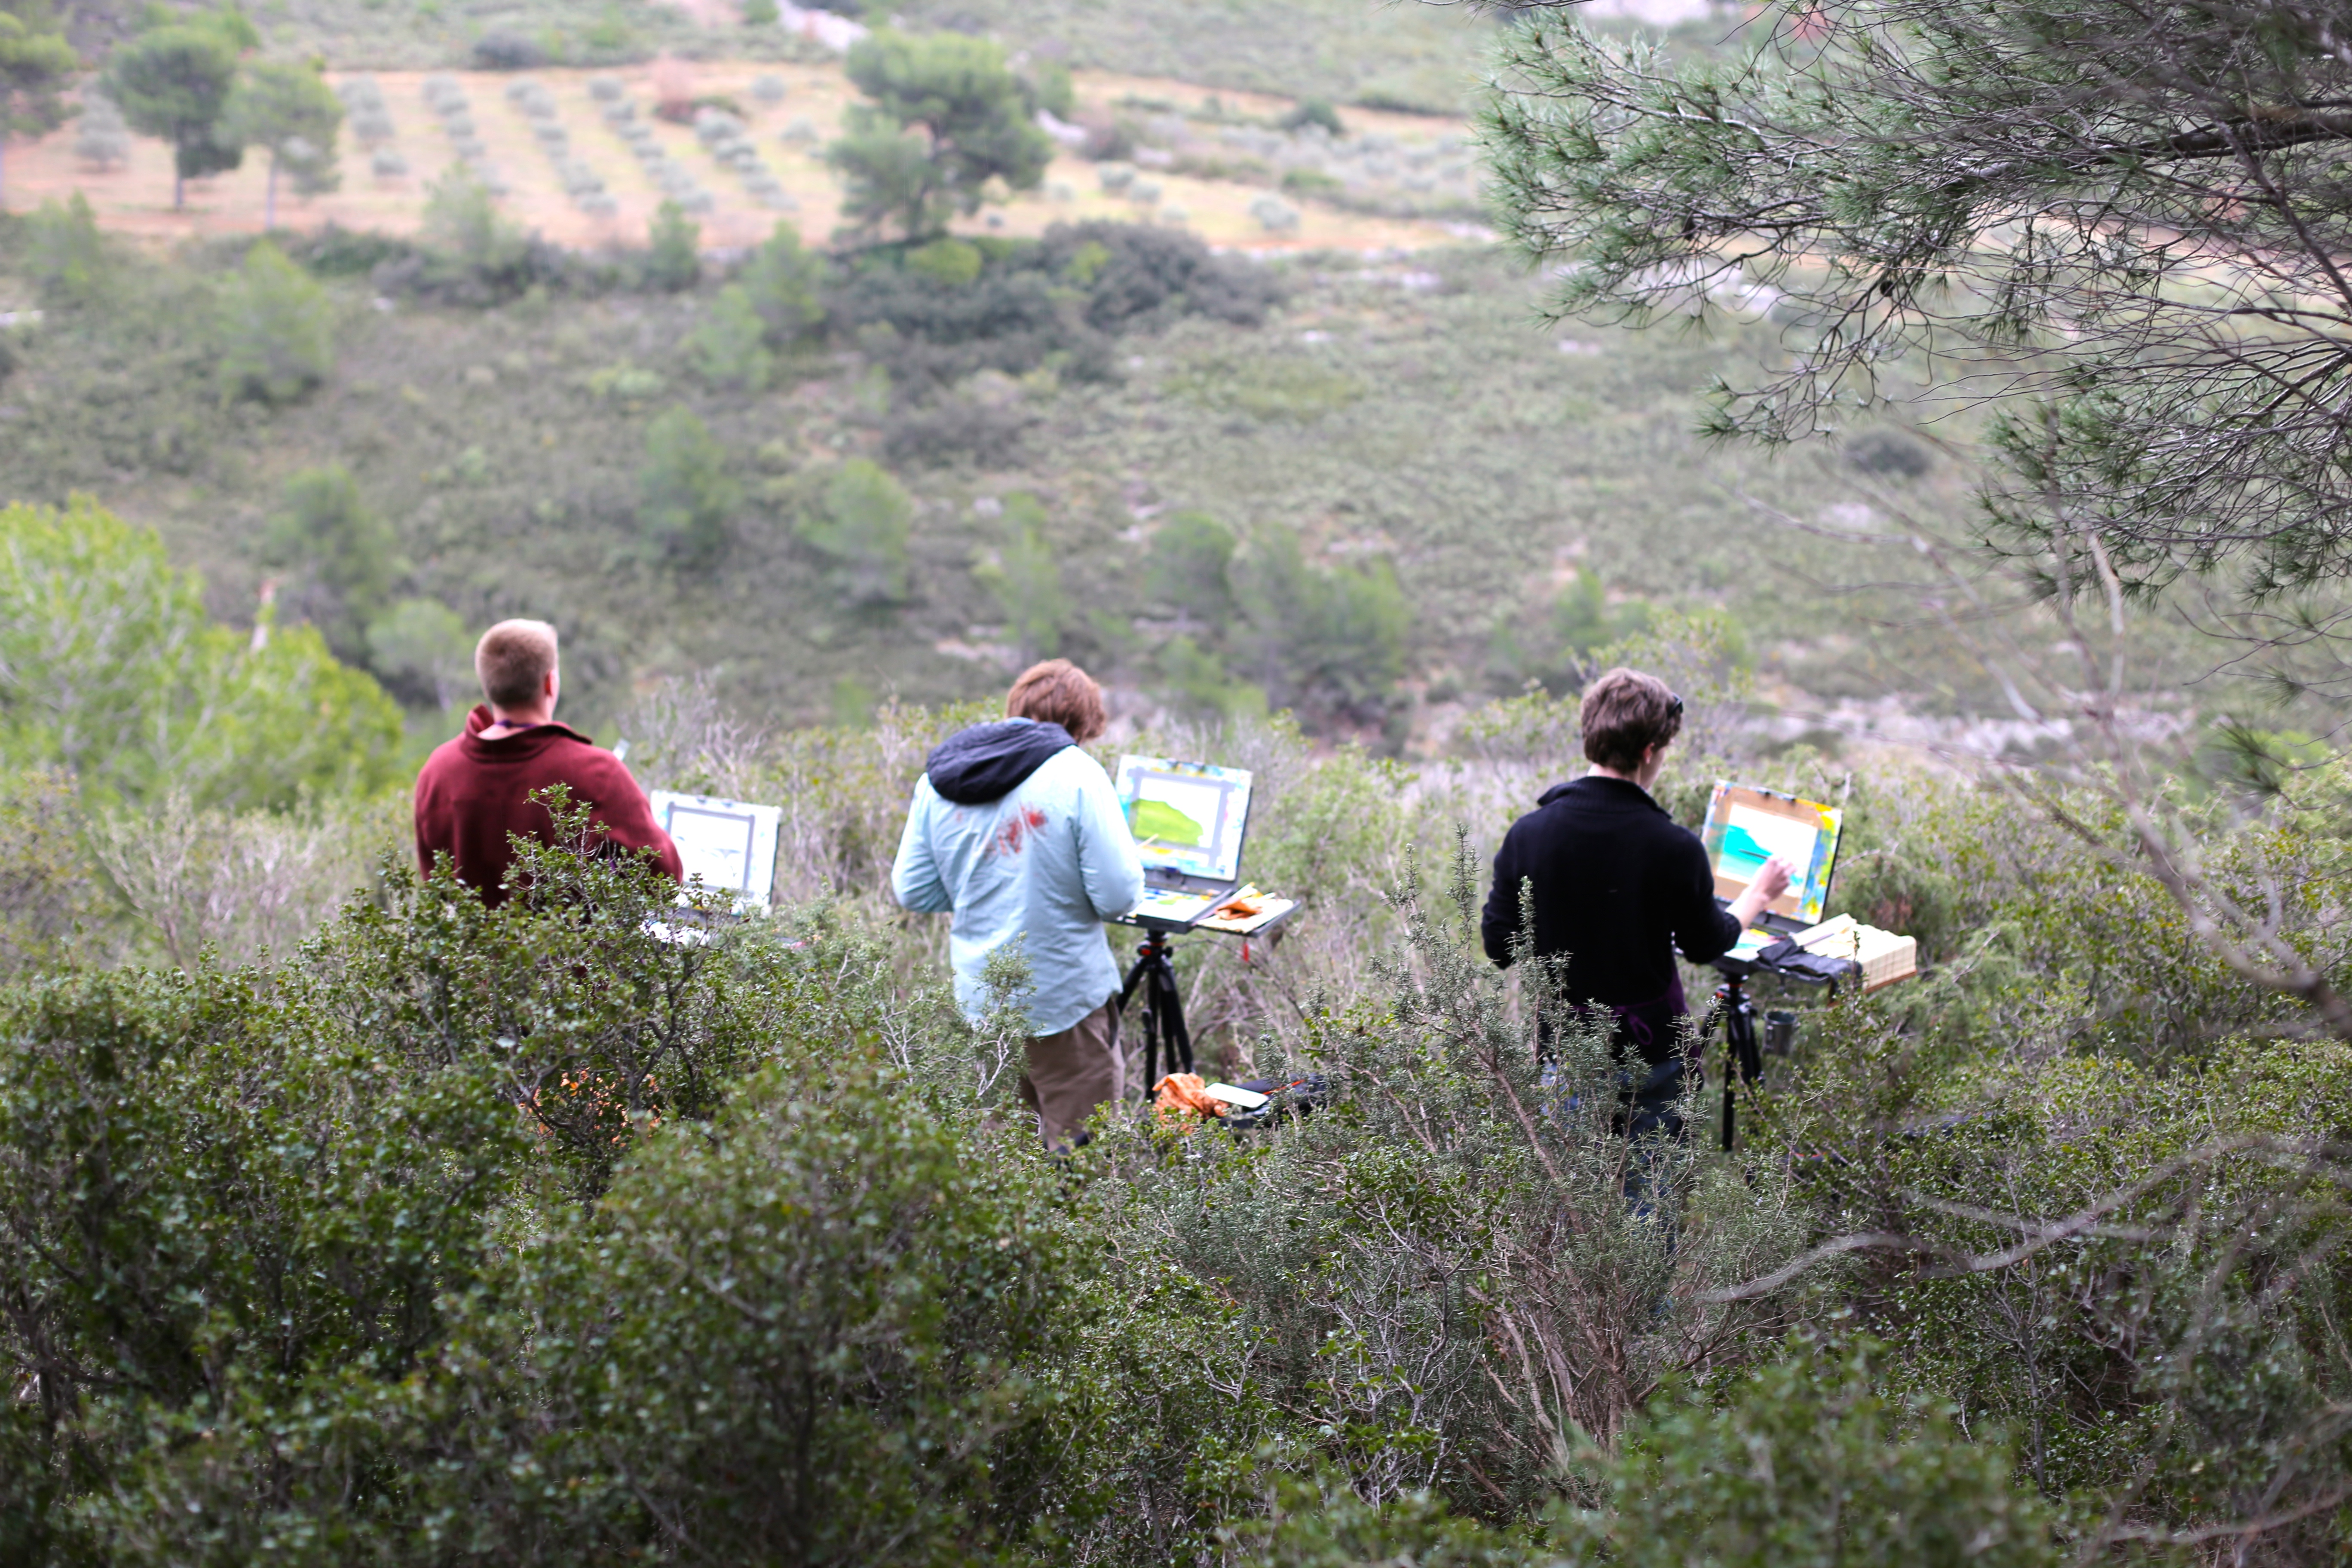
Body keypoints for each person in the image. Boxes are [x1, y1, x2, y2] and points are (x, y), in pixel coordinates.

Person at [1479, 666, 1792, 1141]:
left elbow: (1499, 945)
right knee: (1651, 1203)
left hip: (1566, 1051)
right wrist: (1759, 895)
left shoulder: (1529, 834)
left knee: (1571, 1199)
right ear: (1649, 752)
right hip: (1652, 1057)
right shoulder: (1673, 846)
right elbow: (1708, 943)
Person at [891, 659, 1145, 1150]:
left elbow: (914, 890)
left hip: (980, 1002)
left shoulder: (939, 780)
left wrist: (982, 889)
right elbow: (1117, 897)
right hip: (1065, 1001)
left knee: (1004, 1162)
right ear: (1083, 724)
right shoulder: (1076, 773)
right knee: (1083, 1161)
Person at [413, 618, 683, 907]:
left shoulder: (439, 771)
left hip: (470, 952)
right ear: (550, 682)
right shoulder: (597, 773)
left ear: (488, 683)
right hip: (571, 953)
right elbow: (665, 880)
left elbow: (437, 884)